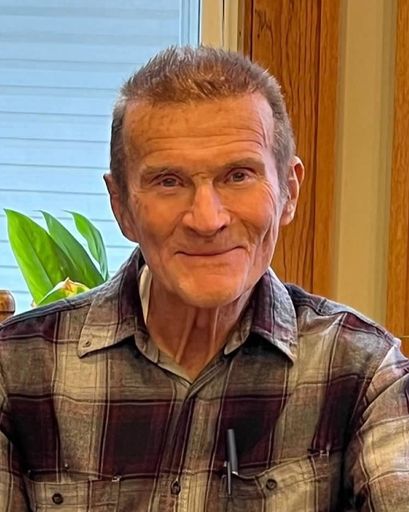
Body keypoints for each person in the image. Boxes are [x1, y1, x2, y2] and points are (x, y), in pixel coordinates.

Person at [0, 46, 408, 512]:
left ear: (289, 192)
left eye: (238, 176)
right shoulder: (17, 369)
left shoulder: (363, 371)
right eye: (168, 182)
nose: (207, 219)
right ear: (121, 206)